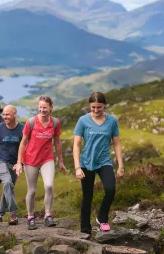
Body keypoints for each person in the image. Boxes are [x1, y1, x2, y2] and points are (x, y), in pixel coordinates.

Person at [73, 92, 124, 235]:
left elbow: (117, 143)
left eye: (99, 107)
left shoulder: (112, 121)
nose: (96, 110)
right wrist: (77, 167)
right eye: (93, 107)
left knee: (110, 189)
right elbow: (76, 145)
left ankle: (102, 218)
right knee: (87, 197)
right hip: (86, 162)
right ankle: (85, 229)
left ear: (104, 105)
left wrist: (121, 165)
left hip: (104, 161)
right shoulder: (83, 121)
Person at [15, 96, 66, 230]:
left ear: (51, 108)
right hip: (30, 160)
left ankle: (48, 215)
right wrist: (19, 162)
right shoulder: (31, 122)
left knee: (49, 186)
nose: (42, 110)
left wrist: (60, 161)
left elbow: (57, 142)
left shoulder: (55, 122)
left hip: (46, 159)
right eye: (40, 107)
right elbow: (23, 142)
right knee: (32, 191)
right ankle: (31, 217)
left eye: (45, 107)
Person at [0, 105, 24, 225]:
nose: (5, 117)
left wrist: (20, 163)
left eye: (8, 114)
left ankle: (0, 214)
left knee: (9, 187)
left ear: (14, 114)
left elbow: (25, 148)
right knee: (7, 183)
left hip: (14, 164)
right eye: (4, 114)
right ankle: (13, 214)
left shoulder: (22, 129)